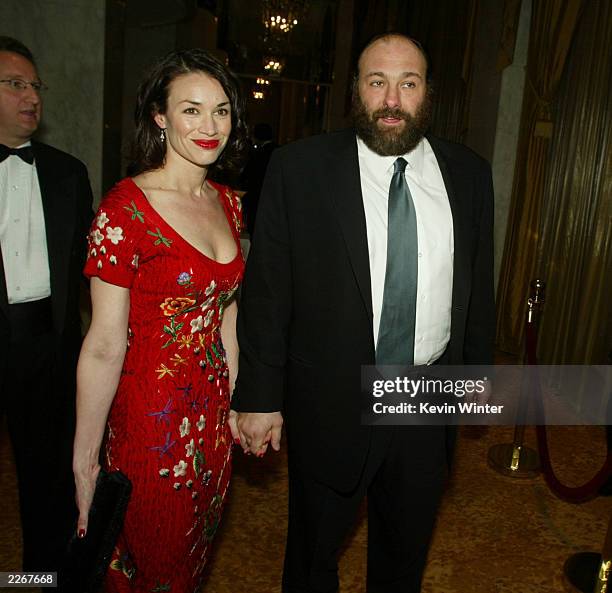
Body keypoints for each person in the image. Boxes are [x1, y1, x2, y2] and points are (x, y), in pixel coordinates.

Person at [232, 33, 494, 593]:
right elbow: (268, 292)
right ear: (357, 90)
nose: (392, 99)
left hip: (428, 396)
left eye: (408, 82)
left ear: (428, 93)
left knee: (405, 555)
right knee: (313, 555)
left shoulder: (470, 175)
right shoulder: (299, 169)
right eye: (377, 82)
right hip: (332, 397)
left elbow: (478, 287)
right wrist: (258, 397)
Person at [73, 48, 247, 592]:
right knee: (158, 570)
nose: (209, 125)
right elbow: (103, 344)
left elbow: (228, 315)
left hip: (213, 425)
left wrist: (238, 402)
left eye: (221, 111)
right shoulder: (125, 211)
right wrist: (84, 460)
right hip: (151, 426)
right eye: (191, 109)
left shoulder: (229, 203)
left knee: (190, 565)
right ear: (159, 116)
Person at [0, 36, 93, 572]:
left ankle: (38, 576)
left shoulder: (67, 173)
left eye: (35, 85)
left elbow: (91, 270)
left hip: (48, 347)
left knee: (47, 478)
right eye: (15, 84)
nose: (31, 96)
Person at [241, 122, 278, 236]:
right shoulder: (280, 152)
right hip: (275, 202)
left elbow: (246, 176)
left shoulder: (258, 154)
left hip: (257, 200)